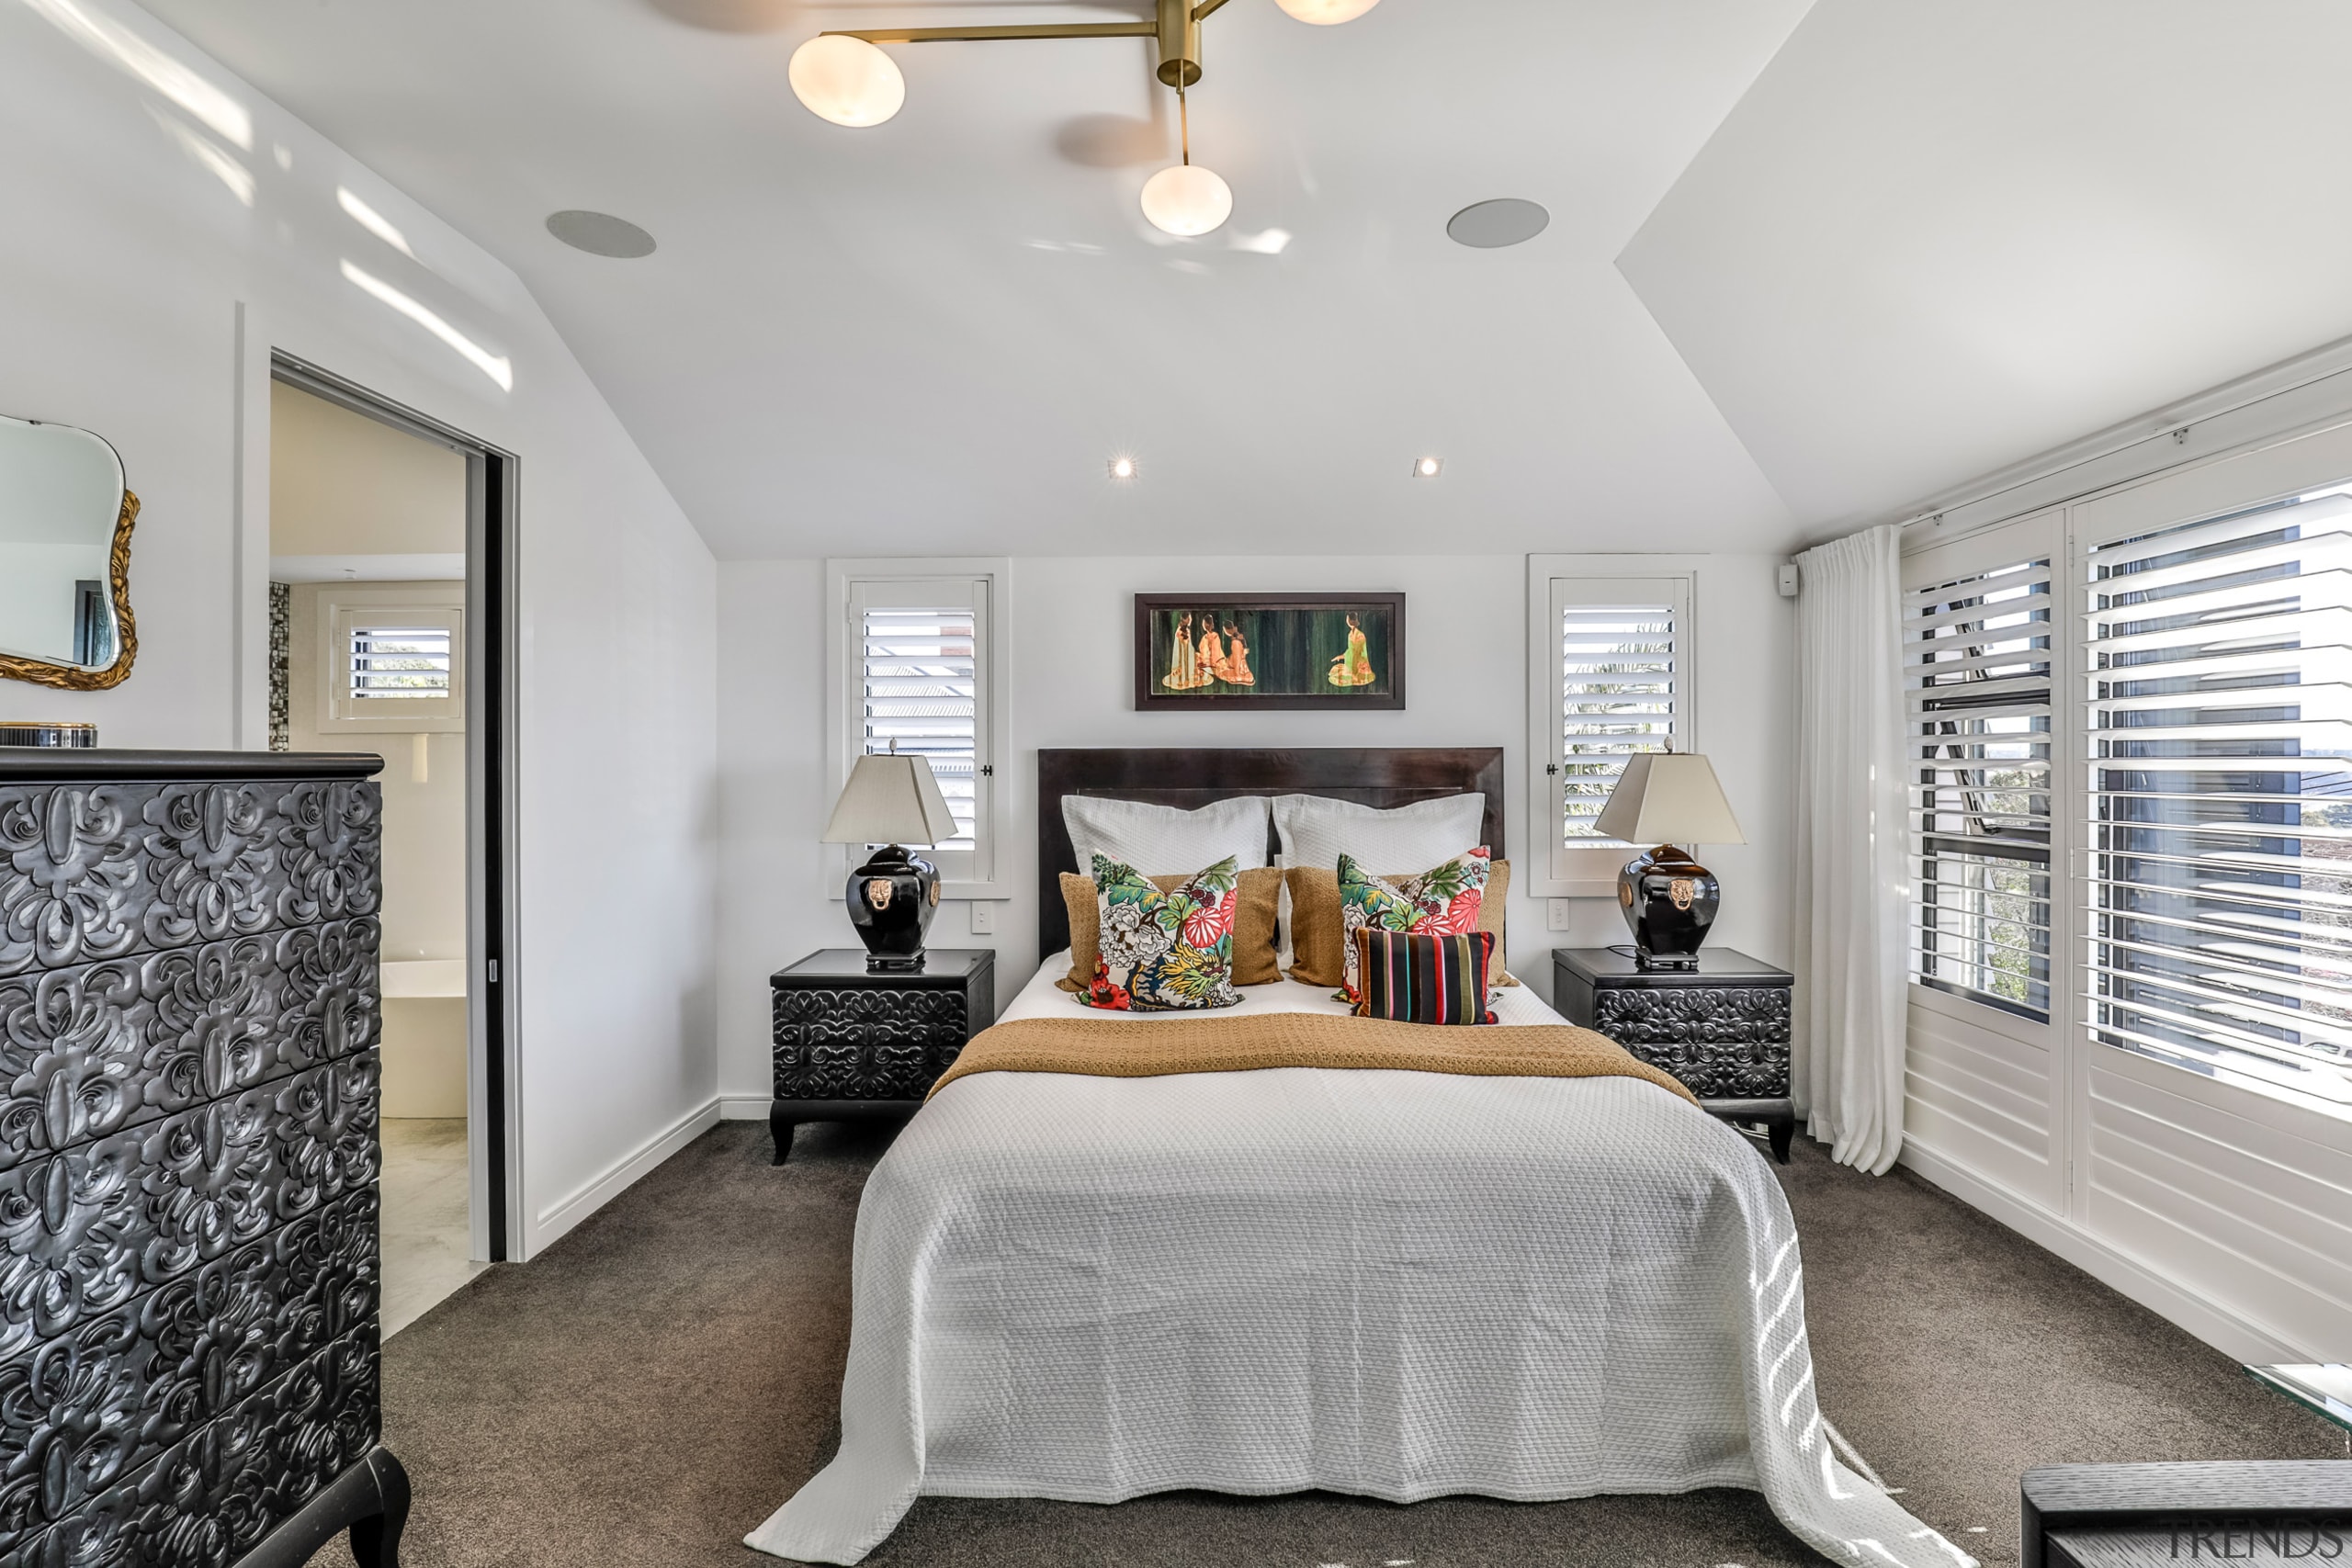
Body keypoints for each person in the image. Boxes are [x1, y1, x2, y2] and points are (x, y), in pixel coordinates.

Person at [1329, 610, 1375, 687]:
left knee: (1342, 675)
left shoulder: (1360, 635)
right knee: (1334, 672)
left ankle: (1355, 674)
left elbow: (1357, 652)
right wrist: (1341, 656)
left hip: (1360, 663)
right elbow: (1350, 651)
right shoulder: (1350, 634)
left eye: (1347, 619)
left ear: (1350, 620)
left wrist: (1343, 657)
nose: (1346, 621)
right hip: (1352, 660)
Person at [1166, 611, 1199, 690]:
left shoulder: (1187, 630)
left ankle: (1188, 677)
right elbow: (1182, 643)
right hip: (1182, 653)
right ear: (1186, 619)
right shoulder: (1180, 630)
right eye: (1189, 618)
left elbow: (1189, 643)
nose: (1190, 619)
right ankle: (1184, 679)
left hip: (1187, 651)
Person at [1197, 613, 1227, 685]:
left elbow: (1216, 651)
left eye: (1204, 623)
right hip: (1205, 660)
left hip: (1214, 661)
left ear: (1208, 624)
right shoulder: (1204, 637)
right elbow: (1201, 649)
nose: (1203, 625)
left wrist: (1209, 661)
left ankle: (1211, 669)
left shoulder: (1215, 636)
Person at [1221, 621, 1254, 685]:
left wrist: (1237, 674)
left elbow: (1237, 659)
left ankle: (1239, 676)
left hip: (1239, 671)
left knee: (1221, 673)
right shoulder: (1237, 639)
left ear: (1227, 630)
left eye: (1224, 630)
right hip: (1242, 668)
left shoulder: (1235, 642)